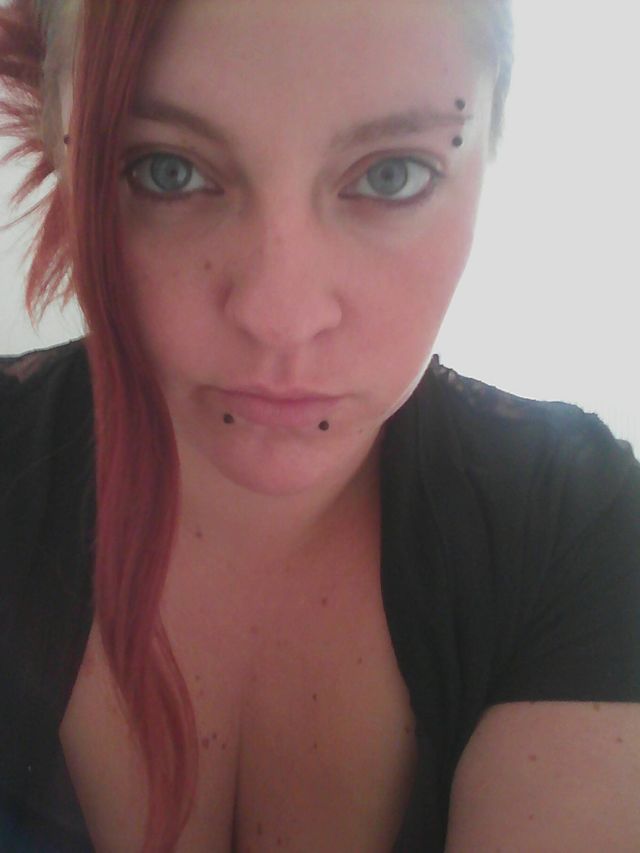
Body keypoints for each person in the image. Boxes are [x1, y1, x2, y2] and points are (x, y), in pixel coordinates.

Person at [0, 0, 638, 851]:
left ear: (488, 153)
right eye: (165, 170)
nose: (282, 317)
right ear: (57, 148)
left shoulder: (576, 526)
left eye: (392, 175)